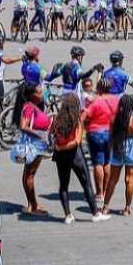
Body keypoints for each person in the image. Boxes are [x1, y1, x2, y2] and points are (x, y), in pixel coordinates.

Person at [50, 94, 110, 224]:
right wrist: (64, 147)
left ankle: (68, 215)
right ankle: (95, 213)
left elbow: (51, 134)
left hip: (61, 157)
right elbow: (76, 142)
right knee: (86, 184)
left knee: (63, 186)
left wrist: (58, 147)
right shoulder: (76, 120)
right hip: (75, 155)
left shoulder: (57, 119)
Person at [102, 95, 133, 216]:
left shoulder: (114, 119)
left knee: (113, 179)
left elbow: (110, 138)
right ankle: (127, 208)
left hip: (117, 148)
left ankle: (105, 207)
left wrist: (109, 151)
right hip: (132, 149)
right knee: (129, 179)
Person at [14, 82, 51, 215]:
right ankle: (33, 205)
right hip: (34, 146)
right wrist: (39, 136)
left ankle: (31, 204)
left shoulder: (32, 106)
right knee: (30, 175)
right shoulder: (29, 108)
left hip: (36, 145)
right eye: (39, 93)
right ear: (31, 95)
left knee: (28, 174)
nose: (41, 94)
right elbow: (23, 126)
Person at [81, 78, 119, 205]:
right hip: (110, 133)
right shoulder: (115, 100)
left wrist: (84, 128)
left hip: (95, 133)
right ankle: (105, 189)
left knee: (98, 163)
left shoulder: (96, 102)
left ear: (100, 88)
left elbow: (83, 117)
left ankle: (100, 193)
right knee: (107, 161)